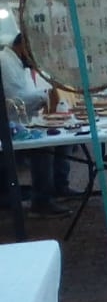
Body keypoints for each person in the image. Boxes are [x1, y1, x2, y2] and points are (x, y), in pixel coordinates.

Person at [1, 32, 74, 217]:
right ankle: (41, 201)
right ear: (24, 46)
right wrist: (46, 95)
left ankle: (59, 186)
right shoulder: (5, 62)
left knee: (60, 134)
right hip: (11, 126)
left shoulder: (17, 63)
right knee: (43, 147)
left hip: (24, 121)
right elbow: (16, 100)